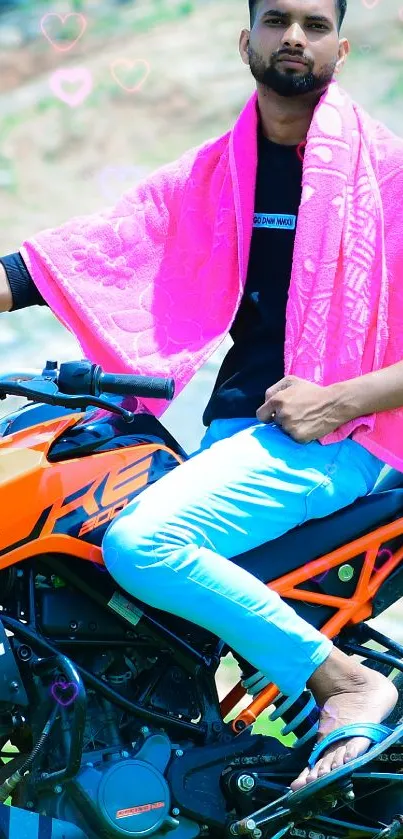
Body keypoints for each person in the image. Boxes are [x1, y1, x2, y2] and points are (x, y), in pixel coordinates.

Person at [1, 0, 402, 792]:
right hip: (236, 434)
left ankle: (343, 685)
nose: (293, 37)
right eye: (276, 19)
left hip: (337, 443)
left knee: (140, 544)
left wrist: (339, 399)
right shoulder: (220, 173)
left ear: (341, 46)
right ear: (244, 38)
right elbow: (95, 249)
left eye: (313, 25)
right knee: (70, 567)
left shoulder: (389, 181)